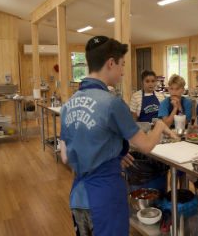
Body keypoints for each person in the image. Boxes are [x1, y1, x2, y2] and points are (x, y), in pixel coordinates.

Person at [59, 36, 177, 236]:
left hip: (78, 197)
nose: (123, 72)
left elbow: (66, 157)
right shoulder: (112, 103)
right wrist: (159, 126)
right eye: (122, 65)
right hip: (105, 197)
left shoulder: (68, 104)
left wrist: (112, 155)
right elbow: (146, 146)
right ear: (110, 63)